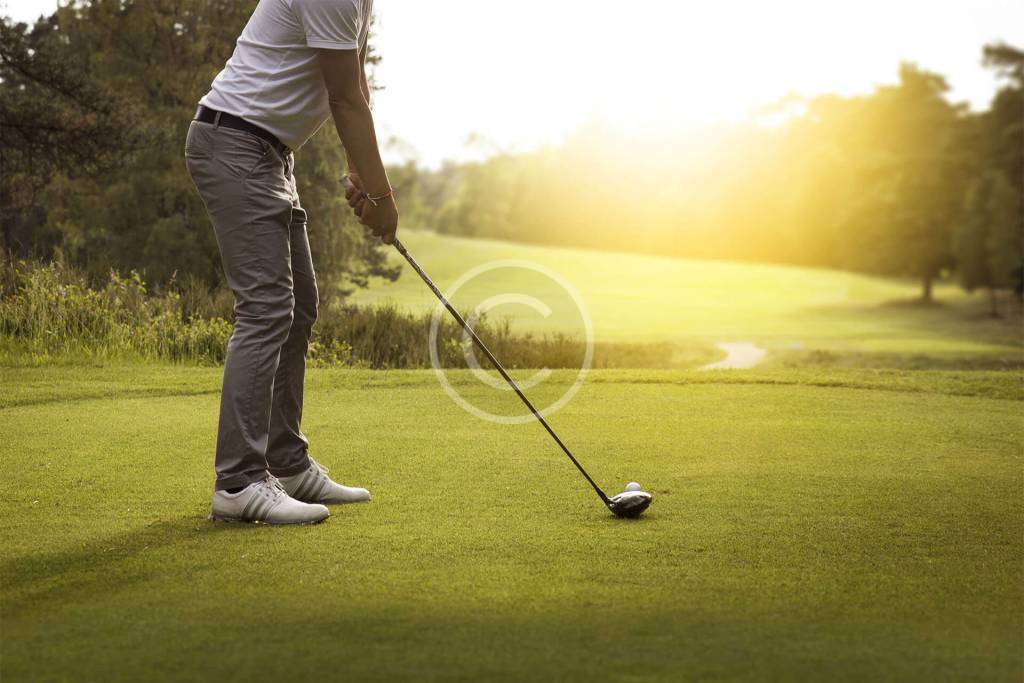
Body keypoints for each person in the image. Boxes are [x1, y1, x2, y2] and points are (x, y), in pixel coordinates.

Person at [185, 0, 397, 524]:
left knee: (298, 306)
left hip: (267, 152)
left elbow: (352, 85)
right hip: (235, 144)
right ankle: (238, 484)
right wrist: (381, 193)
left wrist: (358, 171)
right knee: (265, 310)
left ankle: (287, 463)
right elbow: (343, 97)